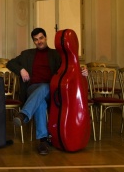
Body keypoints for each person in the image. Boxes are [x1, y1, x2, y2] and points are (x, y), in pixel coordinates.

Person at [7, 27, 88, 155]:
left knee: (44, 90)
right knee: (41, 100)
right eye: (36, 40)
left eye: (41, 38)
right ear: (33, 41)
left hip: (53, 90)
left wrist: (82, 71)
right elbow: (10, 63)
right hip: (33, 89)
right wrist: (21, 70)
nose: (39, 41)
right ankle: (43, 141)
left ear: (45, 38)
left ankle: (25, 116)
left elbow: (69, 68)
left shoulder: (56, 54)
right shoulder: (27, 54)